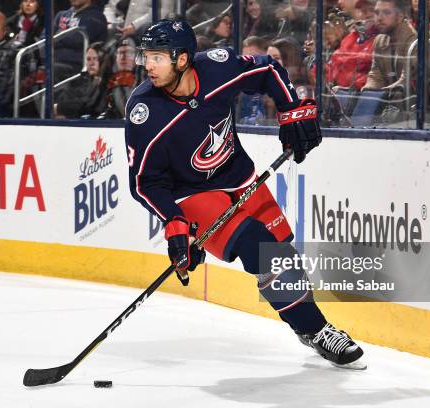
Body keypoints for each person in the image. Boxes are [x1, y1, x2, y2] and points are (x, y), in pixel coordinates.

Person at [125, 19, 366, 370]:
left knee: (282, 251)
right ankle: (320, 330)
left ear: (182, 59)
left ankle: (304, 325)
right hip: (193, 195)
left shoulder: (217, 68)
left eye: (157, 57)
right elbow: (145, 182)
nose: (148, 66)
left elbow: (268, 69)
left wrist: (290, 113)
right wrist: (176, 224)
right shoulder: (144, 111)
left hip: (240, 176)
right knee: (260, 249)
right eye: (146, 57)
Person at [54, 0, 107, 81]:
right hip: (54, 61)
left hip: (77, 67)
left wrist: (56, 38)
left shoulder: (97, 17)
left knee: (50, 71)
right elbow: (44, 37)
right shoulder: (61, 14)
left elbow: (77, 39)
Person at [55, 41, 110, 119]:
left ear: (104, 60)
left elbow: (89, 105)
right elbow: (64, 99)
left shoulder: (108, 82)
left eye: (95, 59)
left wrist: (59, 108)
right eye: (89, 59)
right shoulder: (79, 81)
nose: (91, 63)